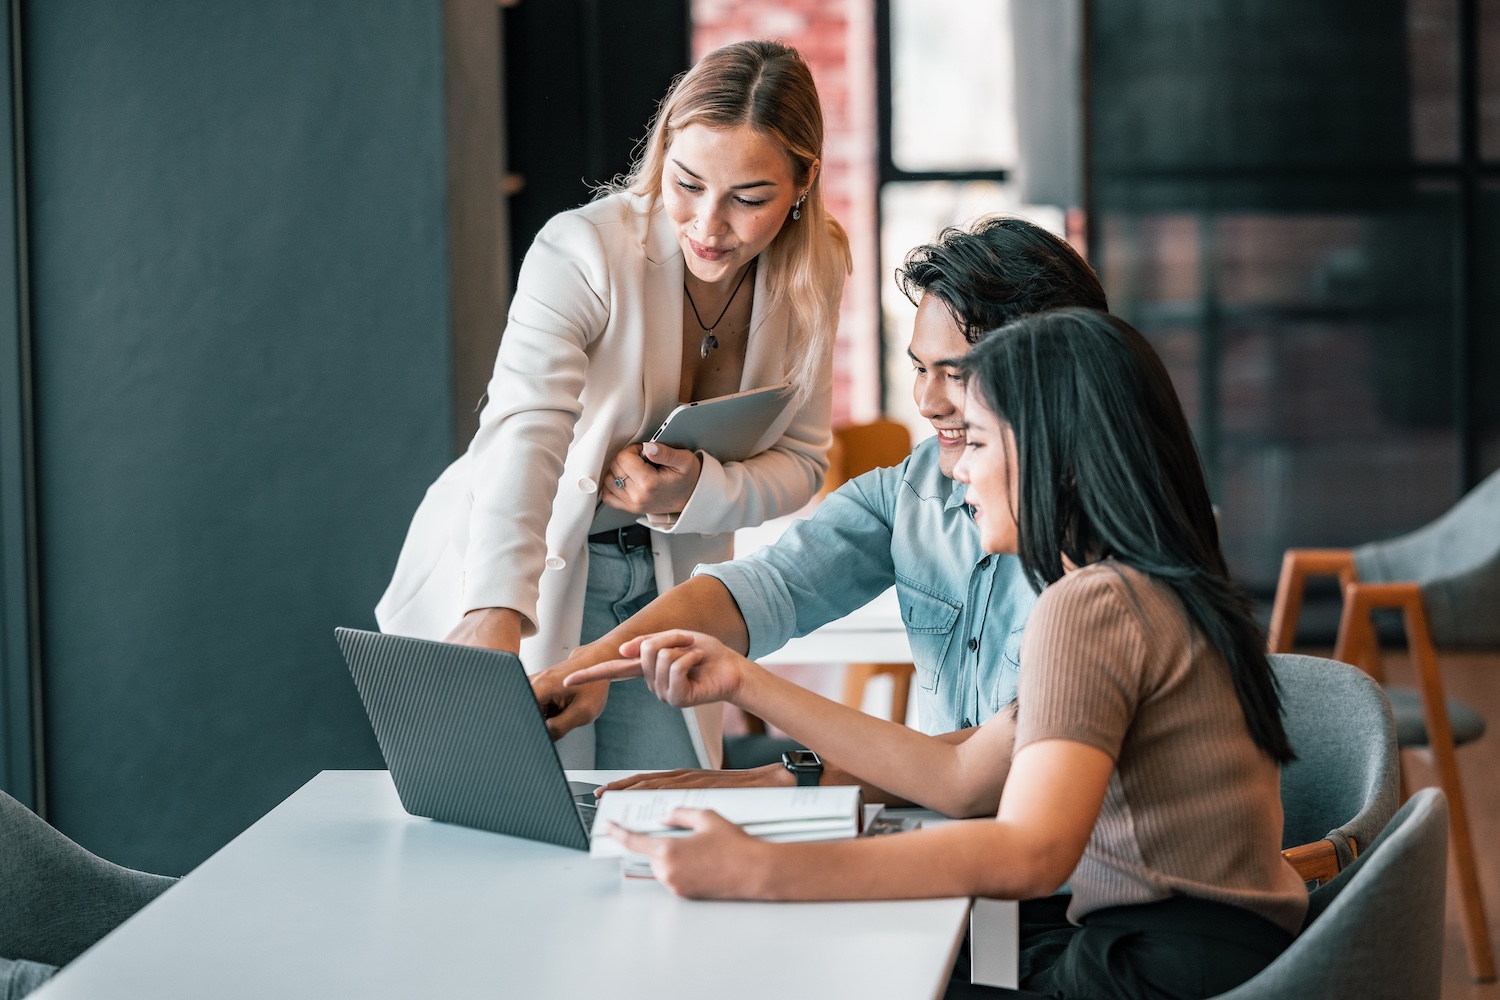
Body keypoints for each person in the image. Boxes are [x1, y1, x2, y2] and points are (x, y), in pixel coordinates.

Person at [568, 308, 1307, 1000]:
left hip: (1158, 968)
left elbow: (1030, 854)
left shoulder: (1092, 606)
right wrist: (744, 682)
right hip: (1209, 956)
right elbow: (958, 777)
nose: (956, 472)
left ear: (1058, 460)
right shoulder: (1152, 585)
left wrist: (762, 869)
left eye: (978, 443)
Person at [375, 40, 851, 770]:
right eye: (687, 183)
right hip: (525, 561)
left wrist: (698, 487)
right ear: (664, 150)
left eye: (749, 199)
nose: (708, 225)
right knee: (529, 837)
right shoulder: (582, 250)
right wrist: (496, 608)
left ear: (802, 182)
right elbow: (525, 427)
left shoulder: (818, 267)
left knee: (665, 816)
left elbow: (802, 462)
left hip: (670, 590)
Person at [532, 218, 1107, 805]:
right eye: (918, 368)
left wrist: (779, 779)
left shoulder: (1107, 563)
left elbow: (978, 774)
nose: (927, 402)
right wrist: (591, 666)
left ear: (1050, 372)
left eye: (955, 374)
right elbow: (761, 588)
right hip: (937, 832)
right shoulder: (914, 488)